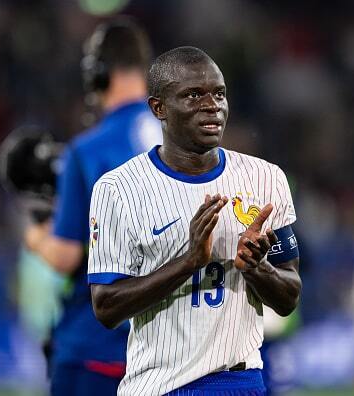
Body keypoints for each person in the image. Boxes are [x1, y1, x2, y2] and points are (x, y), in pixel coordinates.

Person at [88, 46, 302, 395]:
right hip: (160, 385)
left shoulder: (265, 179)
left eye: (219, 93)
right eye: (193, 95)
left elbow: (289, 297)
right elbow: (106, 306)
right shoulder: (119, 189)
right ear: (159, 108)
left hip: (240, 381)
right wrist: (189, 262)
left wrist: (256, 268)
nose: (211, 105)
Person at [24, 18, 162, 395]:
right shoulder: (183, 143)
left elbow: (68, 256)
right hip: (167, 352)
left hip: (95, 347)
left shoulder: (87, 151)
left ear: (99, 73)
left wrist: (36, 237)